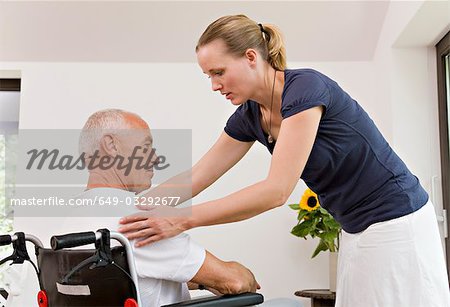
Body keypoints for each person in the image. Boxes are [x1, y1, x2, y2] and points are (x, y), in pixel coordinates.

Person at [118, 15, 450, 307]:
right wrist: (124, 209)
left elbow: (276, 191)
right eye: (208, 76)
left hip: (397, 220)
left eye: (218, 72)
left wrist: (182, 220)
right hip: (355, 228)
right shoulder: (250, 116)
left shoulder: (305, 90)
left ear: (251, 57)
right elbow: (197, 175)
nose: (214, 85)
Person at [63, 109, 260, 306]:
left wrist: (200, 283)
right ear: (111, 145)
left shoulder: (70, 220)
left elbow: (114, 279)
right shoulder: (138, 220)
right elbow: (235, 282)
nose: (155, 159)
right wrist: (245, 274)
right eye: (146, 146)